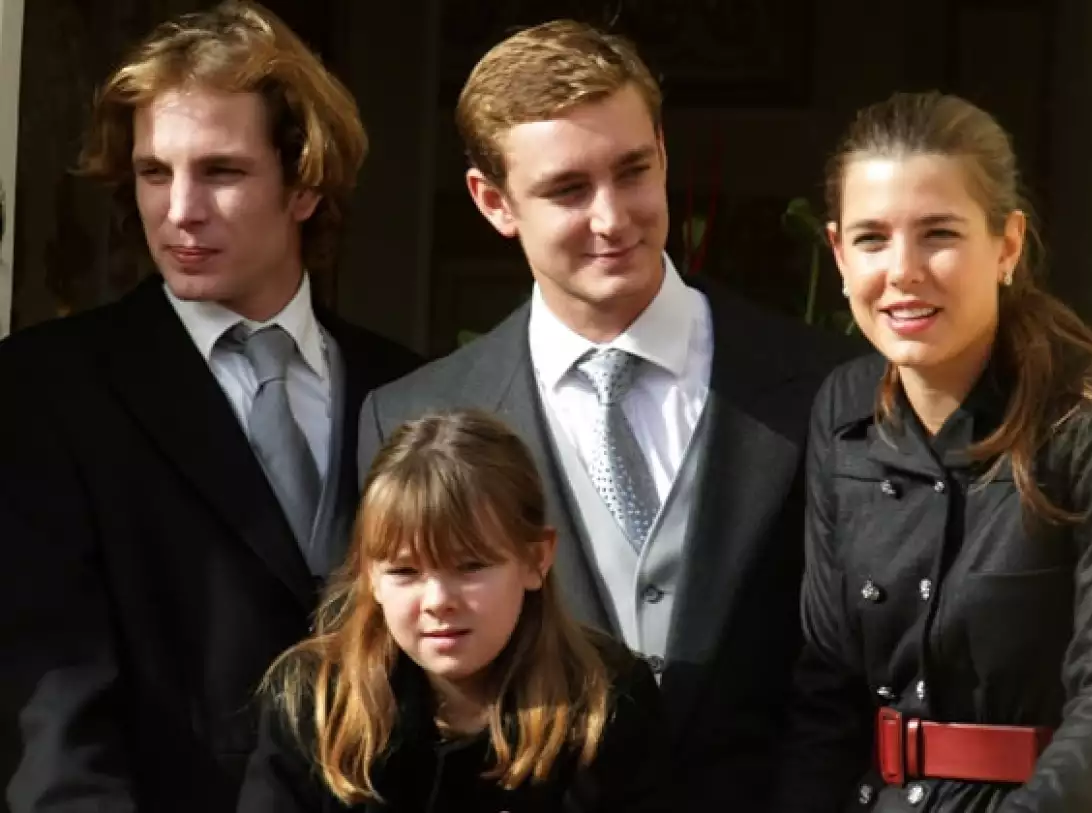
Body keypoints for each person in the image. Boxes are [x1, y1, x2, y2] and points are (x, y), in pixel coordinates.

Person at [358, 19, 852, 812]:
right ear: (494, 202)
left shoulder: (824, 385)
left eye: (633, 171)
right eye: (566, 189)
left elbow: (846, 677)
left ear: (663, 150)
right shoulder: (413, 415)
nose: (613, 217)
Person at [0, 3, 421, 811]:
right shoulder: (47, 388)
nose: (179, 209)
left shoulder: (410, 390)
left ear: (304, 184)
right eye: (155, 172)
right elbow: (50, 703)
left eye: (220, 172)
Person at [772, 91, 1092, 812]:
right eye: (872, 238)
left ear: (1008, 244)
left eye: (938, 233)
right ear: (838, 253)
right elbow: (826, 692)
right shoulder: (841, 409)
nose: (902, 270)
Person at [239, 410, 668, 812]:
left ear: (536, 559)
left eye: (471, 567)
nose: (438, 600)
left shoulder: (603, 704)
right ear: (370, 574)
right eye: (405, 571)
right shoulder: (315, 703)